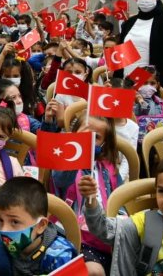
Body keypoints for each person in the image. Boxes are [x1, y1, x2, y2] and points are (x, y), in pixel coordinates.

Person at [52, 115, 121, 275]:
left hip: (105, 237)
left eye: (95, 137)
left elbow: (121, 202)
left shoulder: (110, 169)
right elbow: (60, 180)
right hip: (72, 235)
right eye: (85, 134)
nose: (89, 140)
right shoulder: (64, 164)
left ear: (103, 144)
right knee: (93, 271)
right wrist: (76, 151)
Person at [0, 177, 79, 275]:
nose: (4, 229)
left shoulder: (60, 254)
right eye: (0, 220)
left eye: (14, 222)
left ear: (41, 225)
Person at [118, 0, 163, 102]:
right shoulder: (130, 22)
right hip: (127, 81)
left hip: (151, 85)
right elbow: (120, 53)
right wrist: (116, 81)